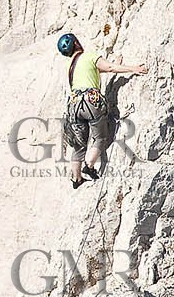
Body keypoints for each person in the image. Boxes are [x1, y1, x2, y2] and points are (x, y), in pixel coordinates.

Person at [56, 33, 148, 188]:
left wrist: (115, 64)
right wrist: (134, 69)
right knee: (100, 138)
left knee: (79, 145)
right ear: (76, 43)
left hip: (73, 106)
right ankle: (89, 165)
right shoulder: (89, 56)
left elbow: (93, 71)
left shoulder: (70, 66)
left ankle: (76, 179)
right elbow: (109, 68)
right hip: (90, 102)